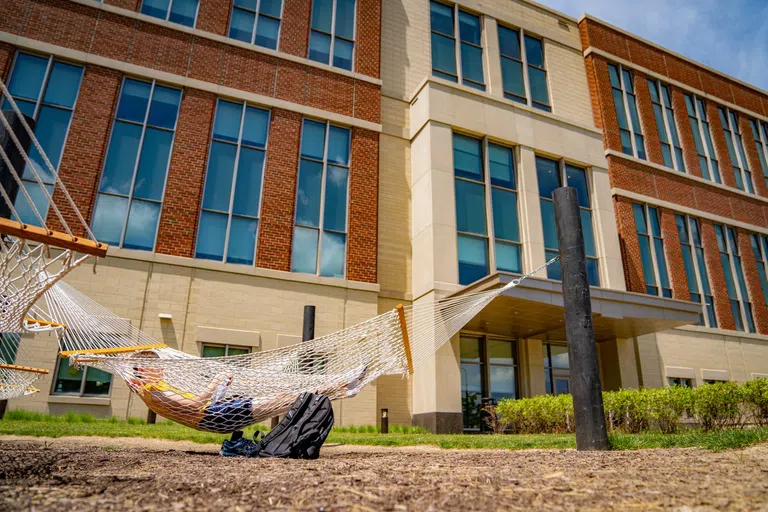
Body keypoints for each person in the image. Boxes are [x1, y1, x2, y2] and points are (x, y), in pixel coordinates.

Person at [127, 351, 366, 433]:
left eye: (159, 364)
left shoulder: (151, 388)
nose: (159, 368)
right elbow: (192, 406)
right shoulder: (154, 391)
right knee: (285, 398)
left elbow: (187, 406)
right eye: (151, 366)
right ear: (141, 371)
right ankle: (343, 382)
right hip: (215, 416)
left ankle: (342, 390)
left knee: (285, 399)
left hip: (217, 413)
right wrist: (214, 386)